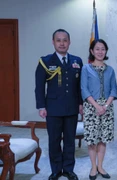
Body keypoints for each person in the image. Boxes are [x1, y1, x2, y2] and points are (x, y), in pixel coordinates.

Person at [35, 29, 83, 180]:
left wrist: (81, 104)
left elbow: (79, 86)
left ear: (69, 42)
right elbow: (39, 86)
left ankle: (68, 169)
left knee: (70, 141)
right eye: (58, 40)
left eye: (65, 40)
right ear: (53, 42)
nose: (62, 43)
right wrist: (41, 106)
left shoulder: (77, 61)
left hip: (71, 107)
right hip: (53, 109)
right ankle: (56, 170)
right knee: (54, 141)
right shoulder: (45, 61)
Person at [81, 39, 117, 180]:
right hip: (91, 107)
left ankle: (101, 166)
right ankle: (93, 167)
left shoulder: (110, 70)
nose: (100, 51)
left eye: (103, 49)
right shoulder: (86, 68)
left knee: (103, 139)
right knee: (92, 139)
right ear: (92, 51)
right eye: (97, 49)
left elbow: (114, 89)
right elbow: (84, 89)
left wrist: (106, 106)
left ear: (106, 51)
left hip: (107, 108)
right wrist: (97, 106)